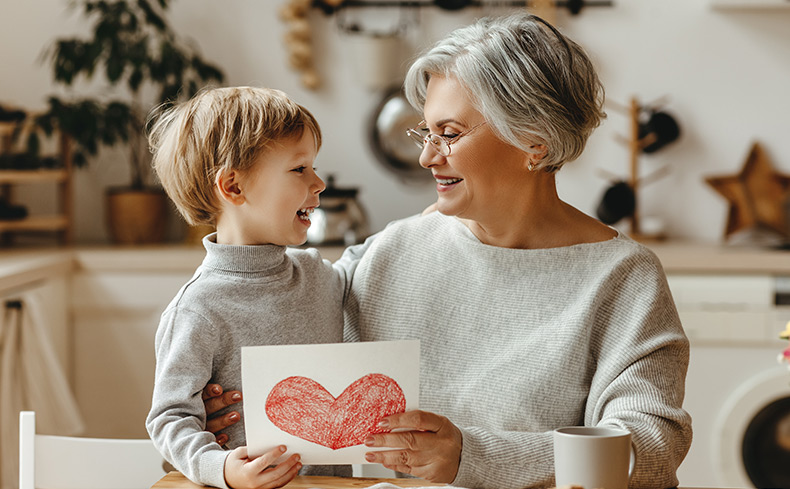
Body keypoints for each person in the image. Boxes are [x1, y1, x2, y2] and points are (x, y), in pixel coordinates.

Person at [202, 12, 692, 489]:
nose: (426, 156)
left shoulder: (622, 278)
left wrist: (470, 456)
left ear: (534, 142)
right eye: (426, 132)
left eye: (449, 135)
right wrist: (228, 403)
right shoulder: (396, 249)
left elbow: (650, 450)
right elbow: (286, 337)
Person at [145, 86, 352, 489]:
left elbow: (374, 259)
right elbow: (169, 420)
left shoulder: (317, 274)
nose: (320, 182)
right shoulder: (197, 308)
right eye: (299, 169)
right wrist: (221, 468)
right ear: (234, 187)